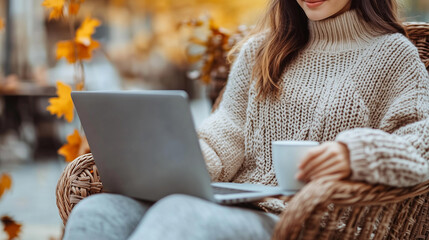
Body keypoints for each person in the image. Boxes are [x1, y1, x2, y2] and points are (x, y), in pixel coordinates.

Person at [63, 0, 429, 239]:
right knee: (98, 211)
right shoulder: (263, 50)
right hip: (232, 201)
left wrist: (357, 153)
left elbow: (422, 138)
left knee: (180, 216)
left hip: (304, 221)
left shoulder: (392, 54)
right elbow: (227, 130)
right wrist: (178, 162)